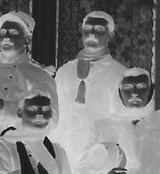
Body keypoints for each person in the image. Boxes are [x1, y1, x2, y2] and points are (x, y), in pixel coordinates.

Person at [0, 10, 58, 153]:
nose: (7, 38)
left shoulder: (39, 76)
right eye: (4, 33)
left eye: (14, 33)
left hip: (18, 162)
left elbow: (51, 123)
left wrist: (9, 110)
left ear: (27, 40)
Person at [53, 10, 129, 162]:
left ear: (110, 36)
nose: (92, 34)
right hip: (63, 152)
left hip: (98, 154)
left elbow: (123, 124)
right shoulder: (64, 72)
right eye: (88, 29)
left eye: (99, 30)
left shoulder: (121, 74)